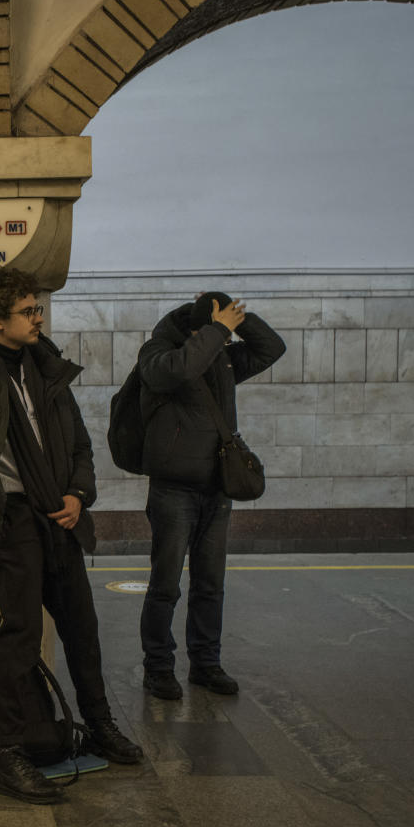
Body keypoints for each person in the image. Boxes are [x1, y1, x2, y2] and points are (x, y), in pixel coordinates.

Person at [0, 266, 142, 806]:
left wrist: (77, 495)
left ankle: (100, 724)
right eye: (27, 311)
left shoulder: (46, 369)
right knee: (20, 636)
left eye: (37, 308)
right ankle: (7, 753)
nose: (38, 317)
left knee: (81, 627)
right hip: (10, 518)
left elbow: (81, 446)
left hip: (57, 515)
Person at [136, 292, 285, 700]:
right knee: (165, 584)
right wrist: (216, 329)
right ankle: (158, 667)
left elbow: (272, 348)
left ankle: (205, 663)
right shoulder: (158, 353)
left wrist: (237, 318)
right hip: (173, 489)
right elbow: (181, 372)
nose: (220, 338)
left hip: (217, 487)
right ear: (194, 328)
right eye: (212, 329)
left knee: (210, 584)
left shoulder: (221, 358)